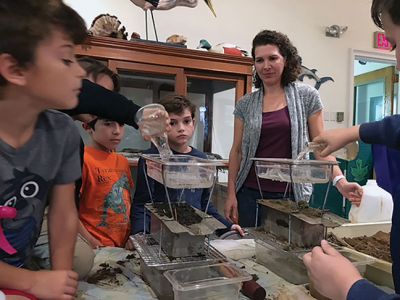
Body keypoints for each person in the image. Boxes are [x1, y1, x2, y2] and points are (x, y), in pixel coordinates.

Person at [303, 2, 400, 299]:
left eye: (394, 42)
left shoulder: (308, 99)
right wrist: (355, 131)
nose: (393, 56)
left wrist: (351, 287)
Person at [224, 30, 363, 227]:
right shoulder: (245, 104)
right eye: (259, 60)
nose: (266, 66)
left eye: (273, 58)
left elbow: (320, 147)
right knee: (250, 250)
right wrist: (231, 193)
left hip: (291, 195)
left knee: (286, 253)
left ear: (286, 59)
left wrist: (341, 182)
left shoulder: (307, 96)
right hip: (248, 194)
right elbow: (236, 151)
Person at [0, 1, 87, 299]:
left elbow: (63, 212)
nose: (80, 71)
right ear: (15, 69)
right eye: (66, 59)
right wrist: (31, 282)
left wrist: (61, 283)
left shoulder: (61, 131)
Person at [131, 95, 243, 236]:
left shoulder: (201, 160)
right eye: (173, 123)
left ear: (194, 122)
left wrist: (228, 226)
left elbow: (206, 206)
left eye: (186, 121)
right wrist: (140, 233)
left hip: (194, 234)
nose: (181, 128)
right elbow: (142, 203)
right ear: (162, 125)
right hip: (159, 234)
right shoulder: (152, 159)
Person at [79, 116, 133, 248]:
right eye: (108, 124)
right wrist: (90, 241)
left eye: (121, 124)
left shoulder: (122, 161)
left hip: (123, 244)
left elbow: (127, 201)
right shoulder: (83, 159)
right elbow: (67, 210)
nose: (117, 131)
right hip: (95, 244)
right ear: (88, 127)